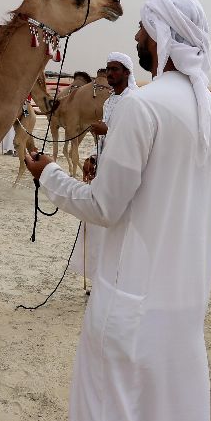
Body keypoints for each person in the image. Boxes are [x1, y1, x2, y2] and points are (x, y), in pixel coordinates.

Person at [25, 0, 211, 421]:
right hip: (183, 311)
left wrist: (49, 175)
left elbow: (105, 207)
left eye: (143, 28)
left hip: (130, 307)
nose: (135, 36)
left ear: (161, 38)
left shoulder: (142, 105)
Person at [70, 52, 140, 286]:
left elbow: (131, 137)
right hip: (104, 169)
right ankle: (100, 278)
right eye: (108, 69)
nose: (110, 73)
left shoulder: (134, 101)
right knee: (98, 228)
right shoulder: (110, 102)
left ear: (127, 73)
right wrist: (92, 158)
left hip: (122, 175)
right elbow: (105, 142)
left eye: (115, 69)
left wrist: (107, 130)